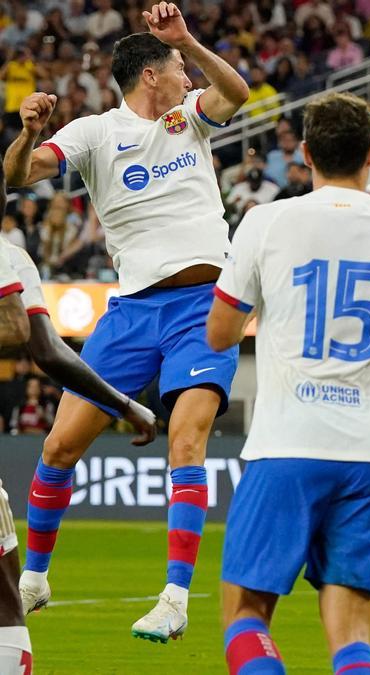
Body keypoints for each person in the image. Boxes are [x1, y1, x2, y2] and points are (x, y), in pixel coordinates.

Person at [5, 2, 249, 638]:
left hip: (204, 305)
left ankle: (174, 598)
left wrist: (186, 40)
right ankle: (34, 579)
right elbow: (14, 176)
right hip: (133, 310)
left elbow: (236, 92)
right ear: (149, 75)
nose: (189, 78)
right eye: (177, 67)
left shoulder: (186, 118)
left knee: (186, 441)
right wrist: (28, 131)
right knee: (58, 446)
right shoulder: (92, 133)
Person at [207, 92, 370, 675]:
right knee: (351, 633)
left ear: (306, 153)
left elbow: (219, 334)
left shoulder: (266, 221)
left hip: (287, 444)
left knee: (245, 611)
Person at [0, 225, 156, 675]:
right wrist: (124, 404)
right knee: (7, 613)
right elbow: (31, 338)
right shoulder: (8, 257)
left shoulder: (15, 257)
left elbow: (48, 352)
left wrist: (122, 402)